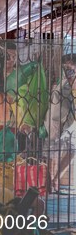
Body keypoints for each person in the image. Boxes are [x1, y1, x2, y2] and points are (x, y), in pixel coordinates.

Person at [45, 54, 76, 191]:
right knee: (54, 150)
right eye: (66, 68)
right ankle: (49, 182)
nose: (68, 72)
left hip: (70, 120)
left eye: (70, 68)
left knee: (72, 150)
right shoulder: (63, 83)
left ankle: (55, 180)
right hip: (57, 121)